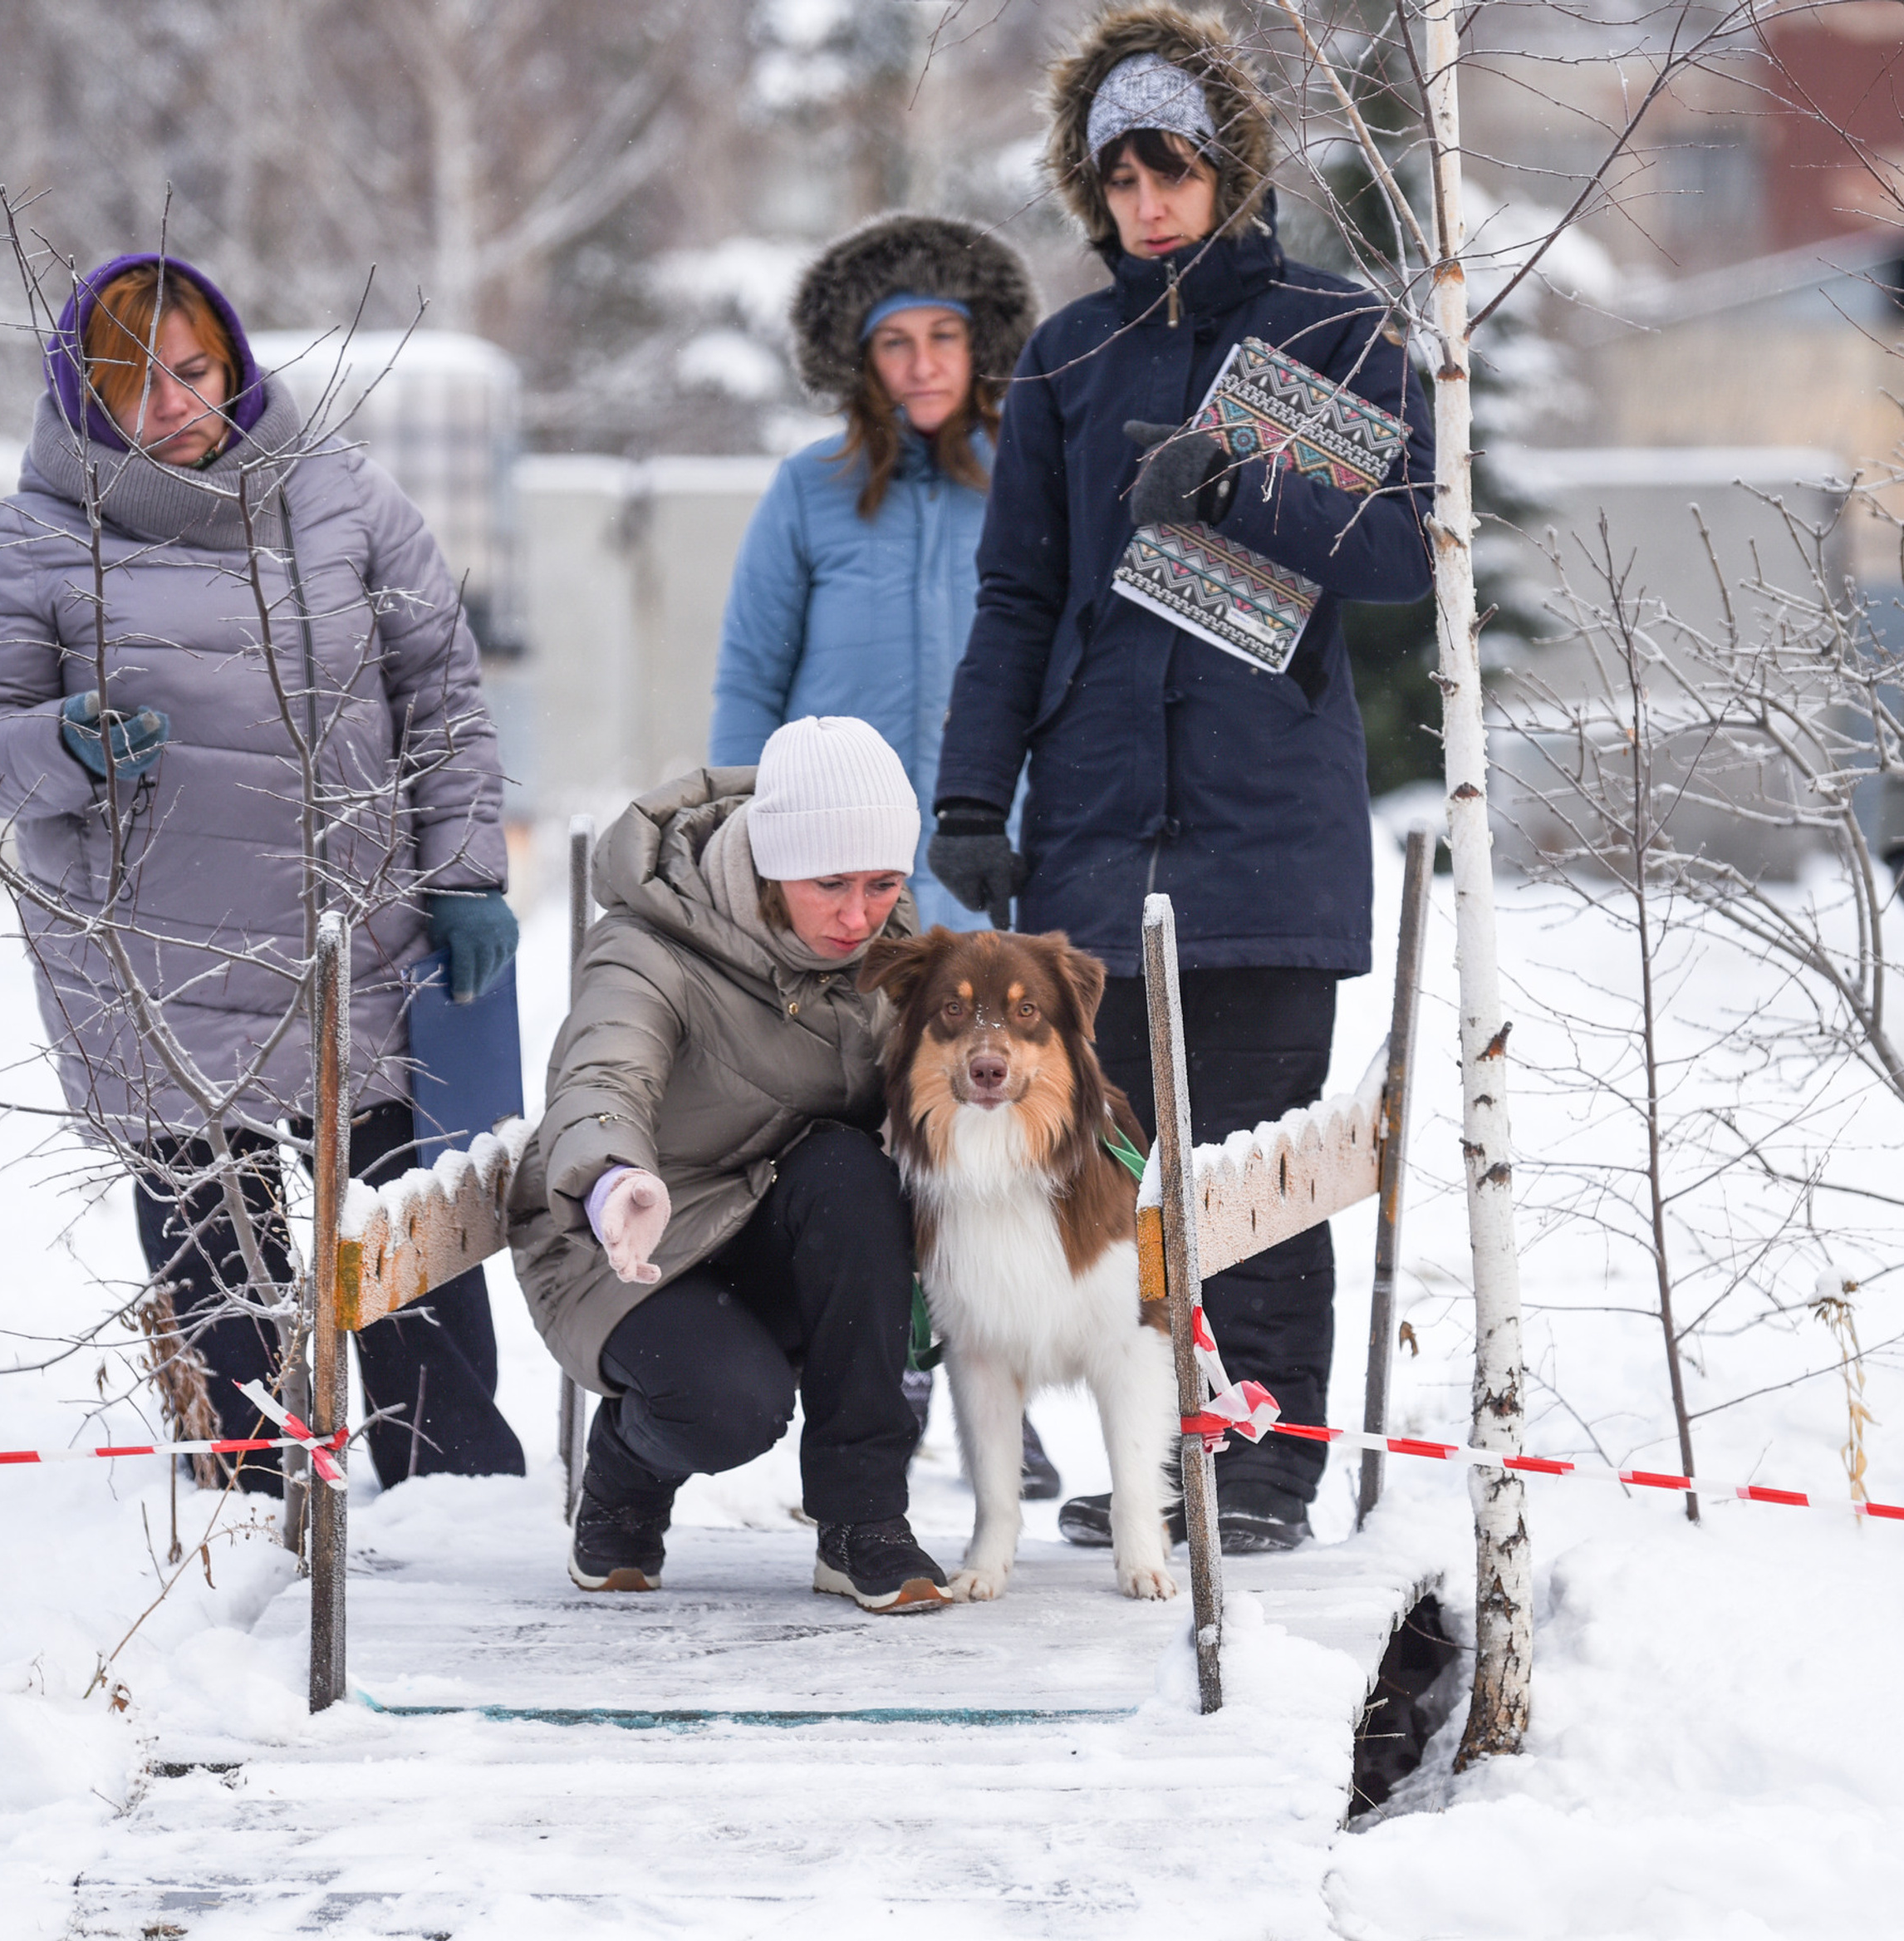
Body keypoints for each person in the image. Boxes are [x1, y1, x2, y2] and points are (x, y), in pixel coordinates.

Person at [926, 7, 1435, 1553]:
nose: (1148, 203)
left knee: (1259, 1159)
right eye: (1121, 179)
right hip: (1093, 823)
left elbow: (1410, 549)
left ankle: (1266, 1453)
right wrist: (971, 795)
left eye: (1174, 170)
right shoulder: (1070, 358)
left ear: (1228, 165)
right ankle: (1157, 1449)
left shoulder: (1329, 331)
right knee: (1124, 1160)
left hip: (1266, 819)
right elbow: (1019, 596)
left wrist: (1237, 484)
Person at [0, 252, 526, 1495]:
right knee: (220, 1266)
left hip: (357, 948)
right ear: (84, 400)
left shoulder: (344, 497)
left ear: (236, 362)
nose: (175, 408)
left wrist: (466, 869)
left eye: (194, 372)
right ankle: (251, 1496)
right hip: (163, 968)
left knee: (404, 1239)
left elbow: (443, 698)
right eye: (133, 386)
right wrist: (62, 745)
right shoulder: (37, 540)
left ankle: (455, 1482)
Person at [709, 215, 1061, 1496]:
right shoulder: (808, 492)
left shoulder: (1027, 475)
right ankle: (882, 1389)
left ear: (984, 347)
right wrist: (746, 849)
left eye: (945, 338)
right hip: (842, 888)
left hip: (986, 870)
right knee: (867, 1145)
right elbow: (750, 678)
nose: (921, 365)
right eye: (896, 342)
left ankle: (997, 1388)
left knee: (992, 1143)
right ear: (860, 361)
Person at [508, 717, 953, 1612]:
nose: (859, 915)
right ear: (767, 861)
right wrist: (610, 1178)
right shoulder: (652, 945)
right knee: (729, 1409)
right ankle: (625, 1475)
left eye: (882, 883)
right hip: (628, 1239)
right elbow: (603, 1071)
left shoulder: (884, 948)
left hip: (777, 1223)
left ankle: (862, 1518)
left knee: (852, 1172)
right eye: (829, 883)